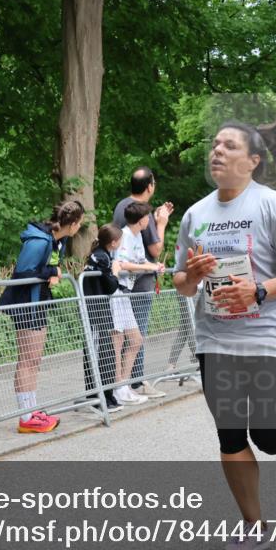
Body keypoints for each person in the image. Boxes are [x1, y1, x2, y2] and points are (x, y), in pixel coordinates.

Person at [173, 104, 276, 550]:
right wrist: (194, 276)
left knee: (267, 434)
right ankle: (253, 525)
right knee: (230, 435)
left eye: (230, 145)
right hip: (216, 339)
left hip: (270, 338)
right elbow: (181, 283)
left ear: (253, 161)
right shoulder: (196, 214)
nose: (217, 152)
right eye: (215, 145)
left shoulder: (271, 204)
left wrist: (257, 291)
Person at [0, 200, 84, 433]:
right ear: (74, 223)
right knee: (27, 359)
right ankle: (25, 417)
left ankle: (31, 410)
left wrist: (52, 272)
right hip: (26, 304)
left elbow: (49, 266)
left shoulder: (58, 241)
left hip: (39, 302)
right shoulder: (39, 240)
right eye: (80, 224)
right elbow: (23, 273)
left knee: (34, 359)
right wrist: (51, 272)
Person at [112, 167, 174, 401]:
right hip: (138, 283)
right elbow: (155, 250)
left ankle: (125, 384)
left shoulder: (121, 206)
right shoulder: (140, 214)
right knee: (137, 332)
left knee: (124, 334)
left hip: (125, 282)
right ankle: (135, 382)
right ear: (150, 187)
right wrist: (162, 223)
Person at [82, 223, 125, 412]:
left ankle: (106, 395)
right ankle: (98, 397)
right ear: (114, 242)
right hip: (95, 312)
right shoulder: (103, 258)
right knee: (99, 353)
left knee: (102, 353)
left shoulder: (100, 254)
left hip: (97, 311)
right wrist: (115, 272)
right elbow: (111, 286)